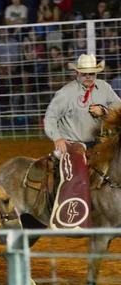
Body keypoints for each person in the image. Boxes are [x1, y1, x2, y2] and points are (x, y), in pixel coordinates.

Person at [44, 54, 121, 230]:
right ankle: (73, 213)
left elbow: (119, 110)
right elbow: (50, 118)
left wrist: (104, 111)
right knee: (77, 170)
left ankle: (104, 206)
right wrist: (58, 138)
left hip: (97, 142)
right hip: (73, 143)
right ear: (77, 73)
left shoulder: (104, 88)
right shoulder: (66, 93)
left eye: (92, 73)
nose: (89, 77)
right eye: (85, 74)